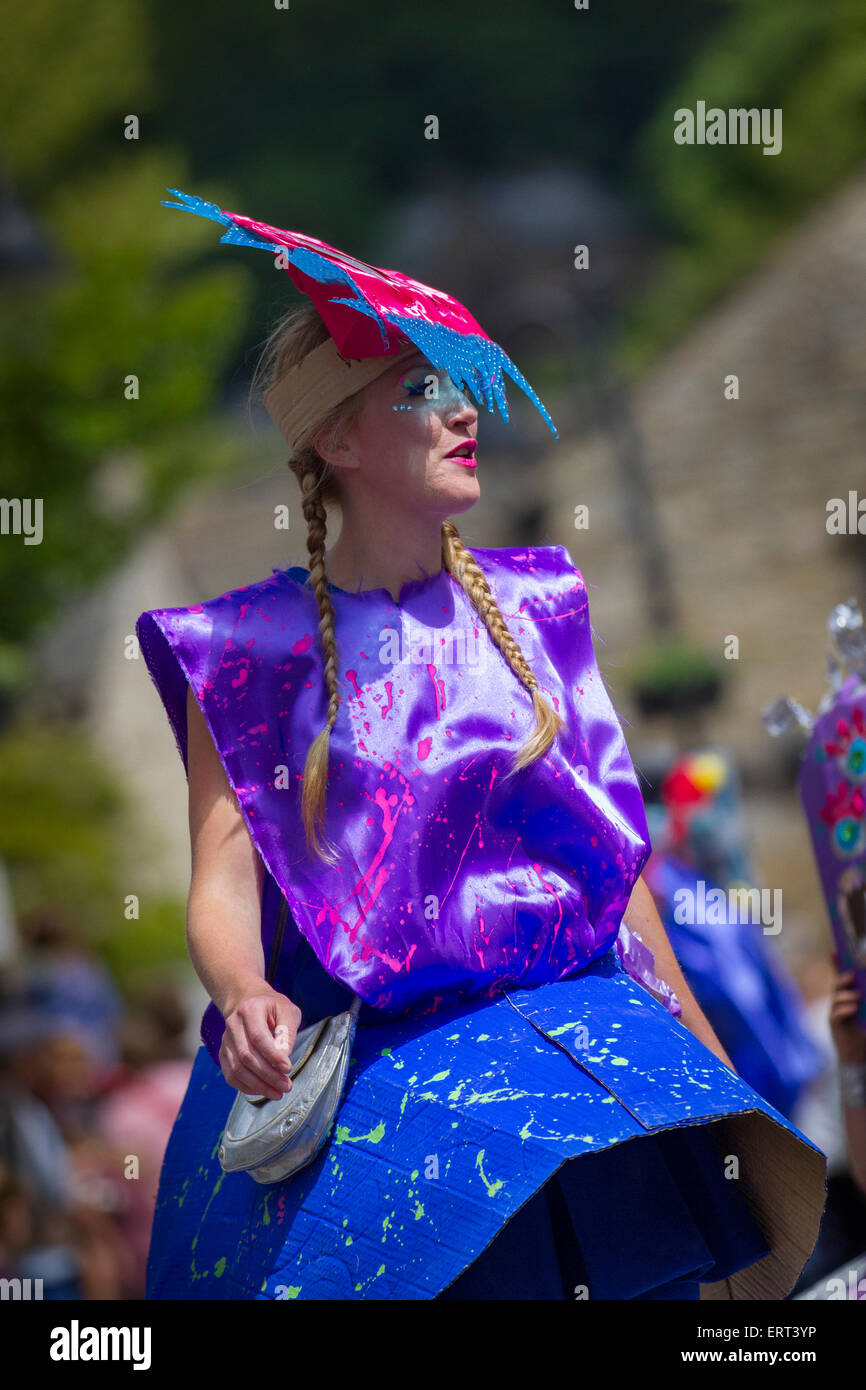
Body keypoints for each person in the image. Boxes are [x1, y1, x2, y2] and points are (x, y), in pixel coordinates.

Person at [136, 189, 826, 1301]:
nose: (464, 409)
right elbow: (217, 877)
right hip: (393, 1098)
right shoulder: (243, 651)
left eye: (462, 382)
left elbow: (617, 872)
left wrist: (705, 1065)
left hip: (586, 1066)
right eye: (420, 386)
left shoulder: (540, 602)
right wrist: (240, 991)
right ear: (337, 438)